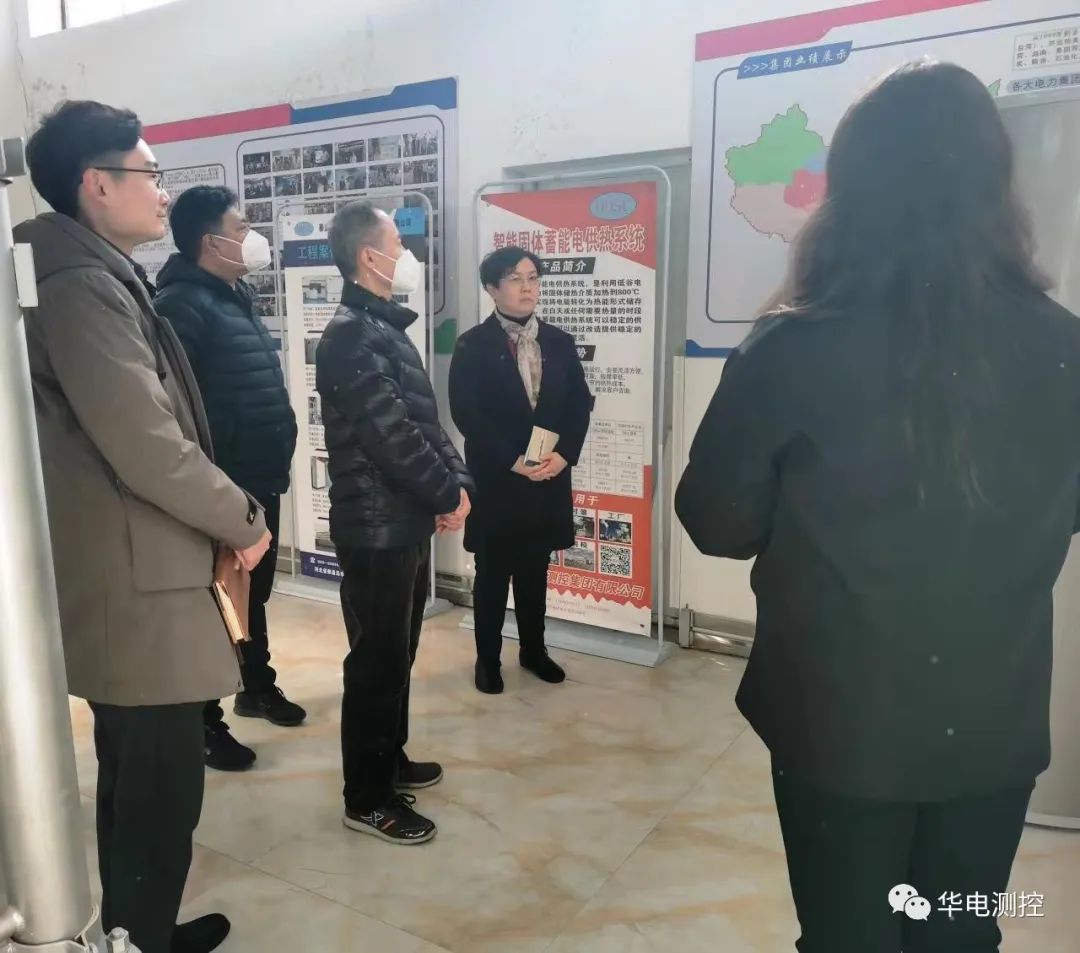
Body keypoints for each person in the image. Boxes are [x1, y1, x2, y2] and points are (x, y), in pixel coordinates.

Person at [675, 61, 1080, 953]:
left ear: (850, 191)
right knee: (961, 933)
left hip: (838, 720)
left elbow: (718, 520)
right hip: (993, 718)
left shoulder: (793, 346)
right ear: (997, 185)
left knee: (848, 936)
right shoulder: (1067, 347)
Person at [17, 101, 272, 953]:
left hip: (139, 568)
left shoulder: (91, 272)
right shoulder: (81, 286)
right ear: (97, 184)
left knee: (140, 778)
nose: (163, 192)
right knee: (157, 786)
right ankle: (141, 939)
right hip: (139, 580)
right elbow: (147, 443)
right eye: (149, 174)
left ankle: (140, 932)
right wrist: (241, 517)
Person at [316, 201, 473, 844]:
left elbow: (425, 424)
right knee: (375, 662)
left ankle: (389, 757)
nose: (407, 254)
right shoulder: (350, 335)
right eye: (397, 243)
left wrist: (456, 486)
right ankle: (367, 798)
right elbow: (392, 438)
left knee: (398, 652)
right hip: (376, 526)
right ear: (368, 257)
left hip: (404, 519)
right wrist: (445, 493)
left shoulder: (383, 327)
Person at [155, 186, 304, 773]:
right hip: (224, 485)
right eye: (241, 228)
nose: (251, 238)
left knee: (252, 594)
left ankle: (255, 686)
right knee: (218, 599)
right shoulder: (181, 305)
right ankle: (203, 721)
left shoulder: (233, 293)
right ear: (210, 241)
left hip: (258, 476)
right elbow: (176, 408)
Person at [449, 247, 592, 694]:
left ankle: (534, 651)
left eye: (533, 277)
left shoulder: (559, 342)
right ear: (492, 288)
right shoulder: (473, 344)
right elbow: (467, 414)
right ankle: (487, 660)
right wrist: (514, 461)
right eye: (515, 278)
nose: (528, 287)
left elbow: (579, 405)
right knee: (492, 573)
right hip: (497, 478)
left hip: (548, 475)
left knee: (535, 569)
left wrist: (564, 455)